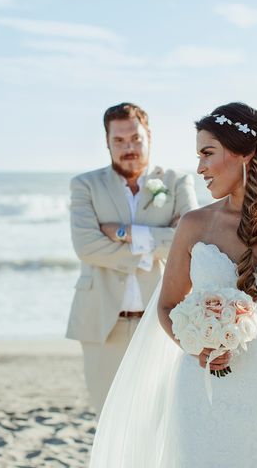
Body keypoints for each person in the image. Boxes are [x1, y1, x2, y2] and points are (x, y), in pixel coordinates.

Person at [90, 101, 257, 467]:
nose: (200, 167)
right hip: (202, 391)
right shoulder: (194, 225)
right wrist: (195, 347)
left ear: (244, 154)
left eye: (208, 153)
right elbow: (168, 306)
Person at [66, 102, 198, 417]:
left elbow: (192, 241)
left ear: (149, 135)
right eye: (119, 141)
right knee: (110, 417)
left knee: (160, 417)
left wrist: (125, 232)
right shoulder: (85, 185)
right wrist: (158, 242)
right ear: (107, 142)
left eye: (135, 138)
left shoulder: (177, 182)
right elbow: (87, 248)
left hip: (162, 320)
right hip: (102, 323)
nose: (129, 147)